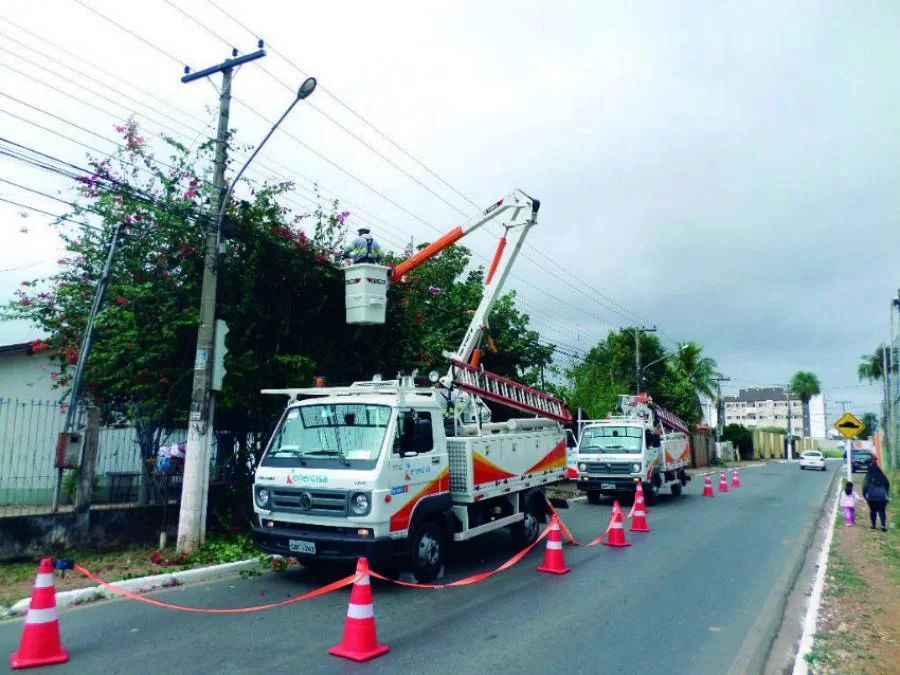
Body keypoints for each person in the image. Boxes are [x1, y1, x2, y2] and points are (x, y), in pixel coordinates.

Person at [862, 460, 891, 531]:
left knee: (873, 510)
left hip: (871, 497)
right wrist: (886, 494)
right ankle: (883, 526)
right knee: (882, 511)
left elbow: (865, 486)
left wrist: (864, 495)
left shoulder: (869, 476)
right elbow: (887, 484)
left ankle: (873, 525)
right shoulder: (882, 476)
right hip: (882, 497)